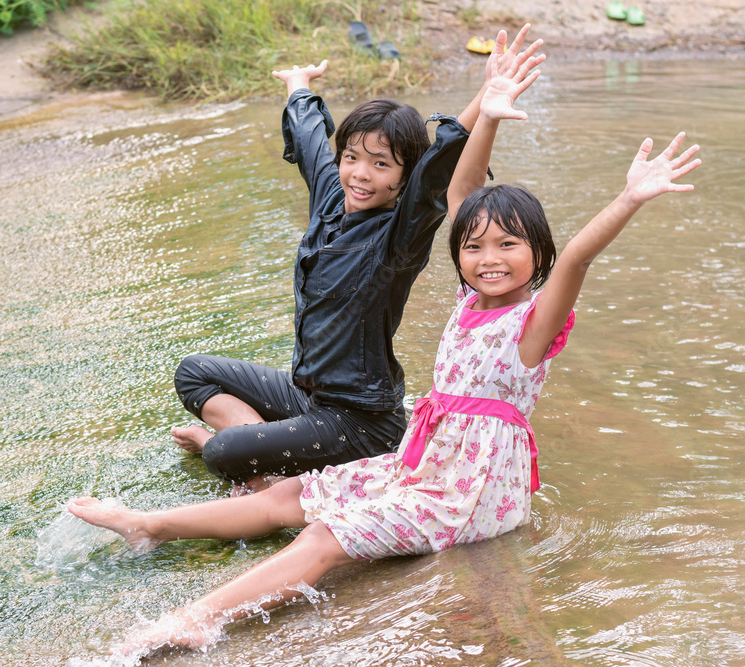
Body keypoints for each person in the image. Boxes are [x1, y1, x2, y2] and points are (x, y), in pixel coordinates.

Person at [68, 38, 700, 657]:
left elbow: (579, 257)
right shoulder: (468, 299)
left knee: (320, 536)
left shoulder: (532, 321)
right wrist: (491, 108)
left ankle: (197, 620)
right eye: (475, 247)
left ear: (538, 257)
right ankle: (147, 523)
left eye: (510, 246)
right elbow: (461, 191)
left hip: (469, 493)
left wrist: (629, 198)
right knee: (289, 495)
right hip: (423, 464)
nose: (489, 259)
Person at [172, 26, 545, 490]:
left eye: (381, 164)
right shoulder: (331, 200)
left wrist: (484, 99)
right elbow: (310, 141)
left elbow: (436, 170)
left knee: (222, 452)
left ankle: (251, 466)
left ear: (403, 177)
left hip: (360, 421)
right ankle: (256, 456)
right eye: (352, 157)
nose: (360, 174)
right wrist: (299, 86)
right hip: (306, 395)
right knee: (193, 372)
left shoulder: (399, 236)